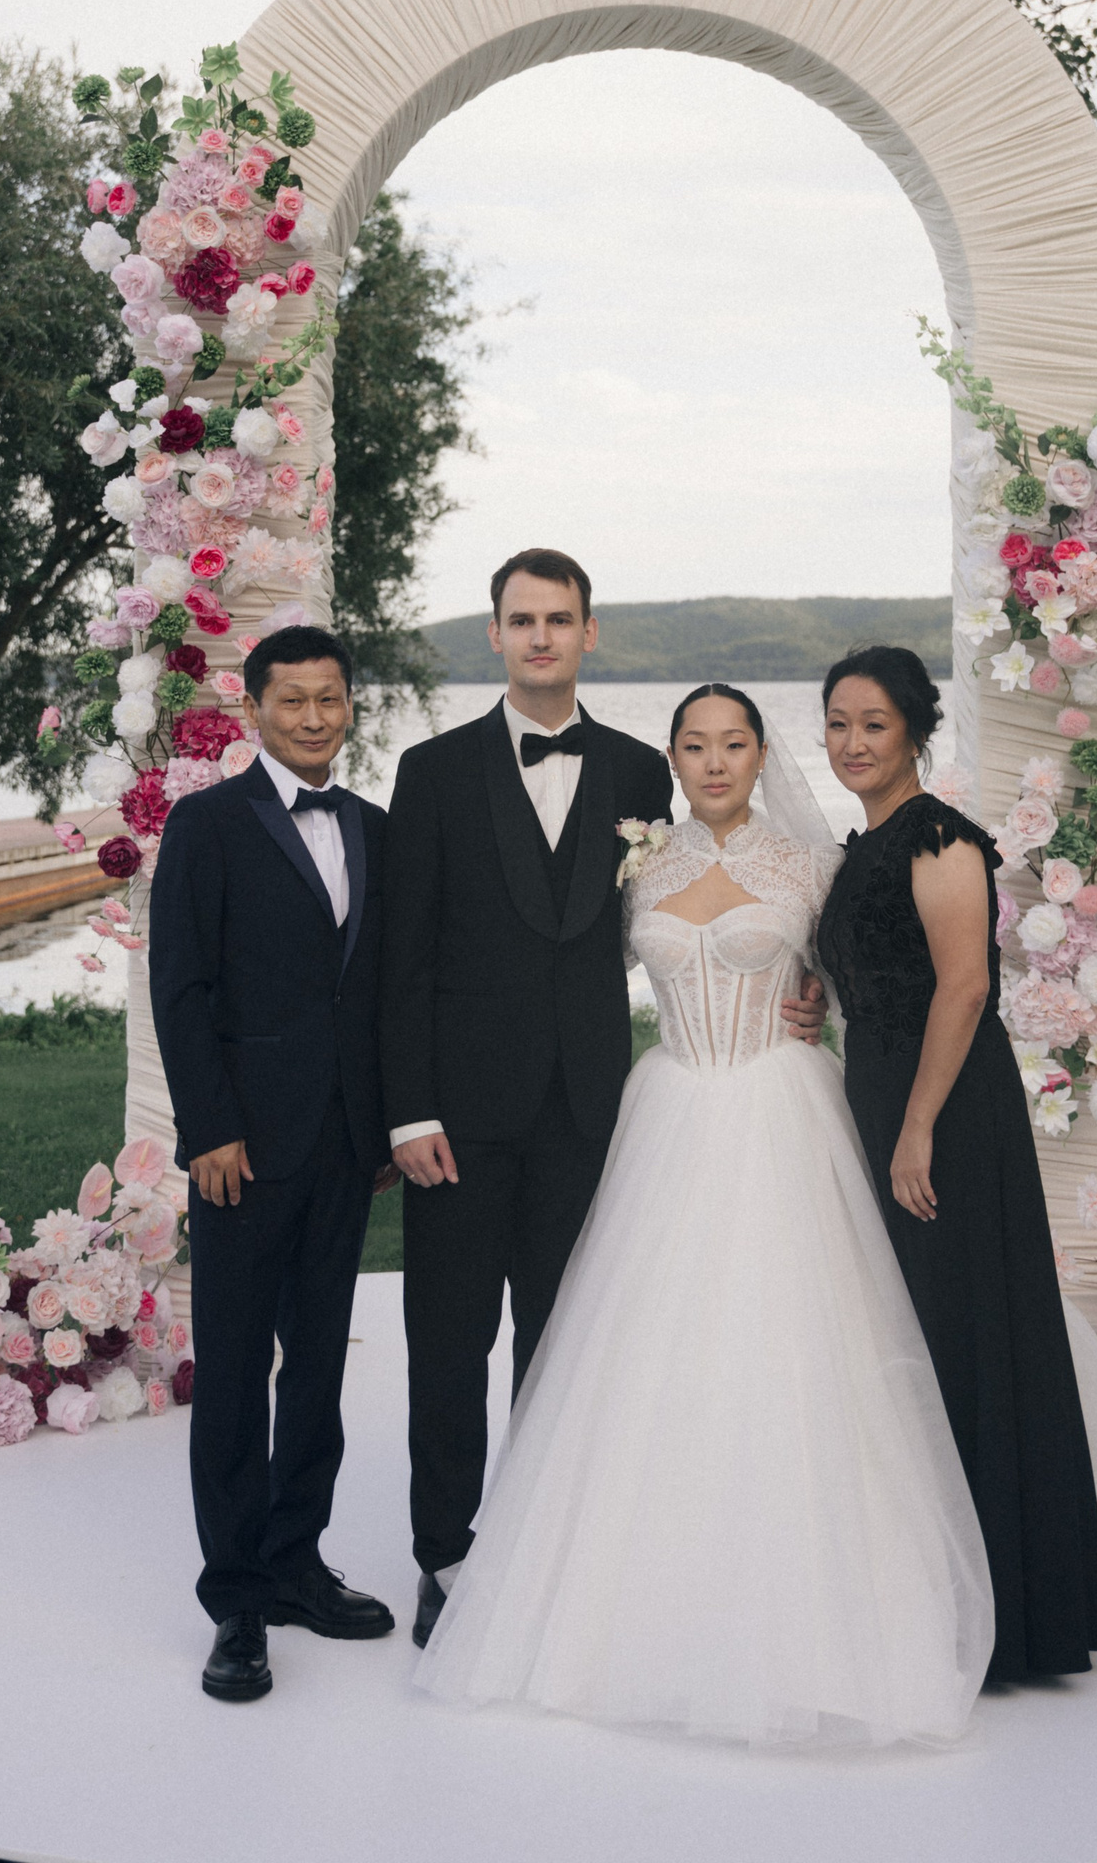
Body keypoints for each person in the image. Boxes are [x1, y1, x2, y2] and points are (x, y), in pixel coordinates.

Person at [413, 682, 997, 1745]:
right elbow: (563, 967)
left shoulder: (811, 866)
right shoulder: (638, 861)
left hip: (781, 1111)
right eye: (695, 745)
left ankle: (816, 1598)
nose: (716, 762)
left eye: (734, 744)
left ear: (762, 755)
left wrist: (818, 1008)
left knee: (793, 1347)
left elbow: (868, 977)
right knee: (647, 1351)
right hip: (671, 1109)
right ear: (672, 760)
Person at [380, 550, 675, 1650]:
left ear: (589, 633)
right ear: (495, 634)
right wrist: (409, 1111)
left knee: (564, 1344)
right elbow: (401, 958)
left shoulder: (643, 773)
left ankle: (545, 1553)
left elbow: (682, 913)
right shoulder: (432, 771)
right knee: (449, 1345)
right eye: (522, 619)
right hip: (455, 1120)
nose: (541, 636)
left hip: (587, 1111)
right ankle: (444, 1555)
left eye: (559, 619)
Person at [813, 644, 1097, 1680]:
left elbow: (965, 987)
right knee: (919, 1332)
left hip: (944, 1110)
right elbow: (872, 969)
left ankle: (1012, 1611)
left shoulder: (939, 836)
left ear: (914, 731)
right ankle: (936, 1580)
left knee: (966, 1335)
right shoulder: (867, 843)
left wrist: (917, 1127)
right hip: (884, 1093)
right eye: (838, 724)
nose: (853, 743)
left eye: (874, 725)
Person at [148, 623, 398, 1704]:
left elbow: (379, 991)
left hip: (343, 1146)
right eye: (291, 700)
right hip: (241, 1150)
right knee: (235, 1371)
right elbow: (181, 987)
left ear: (349, 706)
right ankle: (238, 1600)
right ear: (253, 710)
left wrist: (383, 1124)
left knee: (321, 1369)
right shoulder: (205, 826)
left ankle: (297, 1562)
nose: (312, 717)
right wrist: (209, 1127)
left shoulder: (375, 829)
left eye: (329, 699)